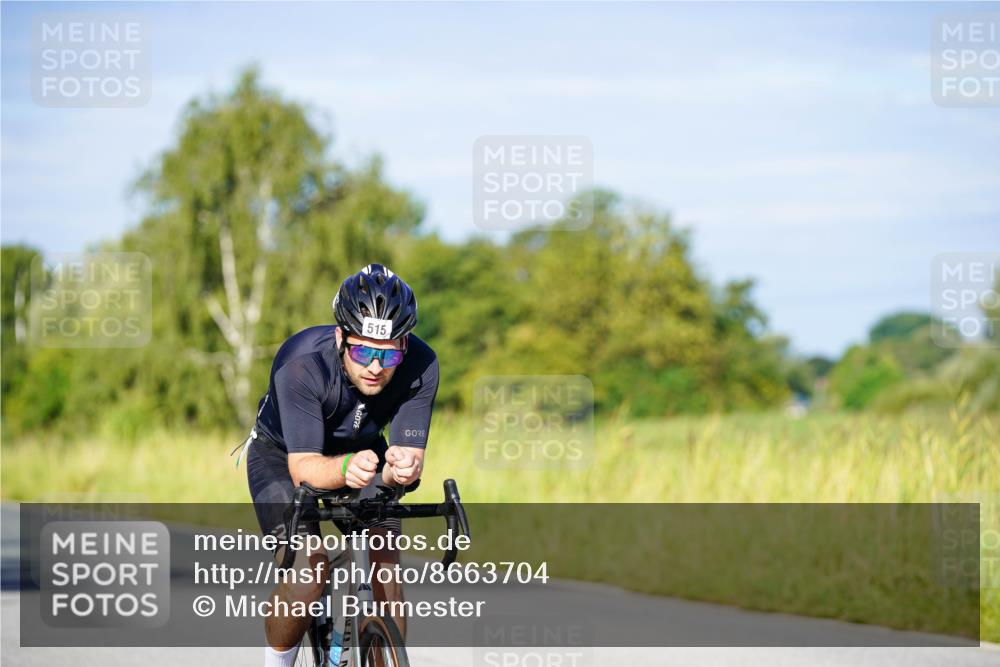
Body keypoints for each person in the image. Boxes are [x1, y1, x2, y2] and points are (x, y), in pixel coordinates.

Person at [242, 264, 438, 667]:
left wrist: (401, 468)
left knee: (385, 569)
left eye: (389, 354)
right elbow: (304, 468)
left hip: (365, 451)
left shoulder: (422, 364)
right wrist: (347, 468)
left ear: (405, 344)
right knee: (308, 573)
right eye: (363, 351)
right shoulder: (300, 363)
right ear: (340, 338)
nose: (375, 366)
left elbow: (407, 454)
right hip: (284, 456)